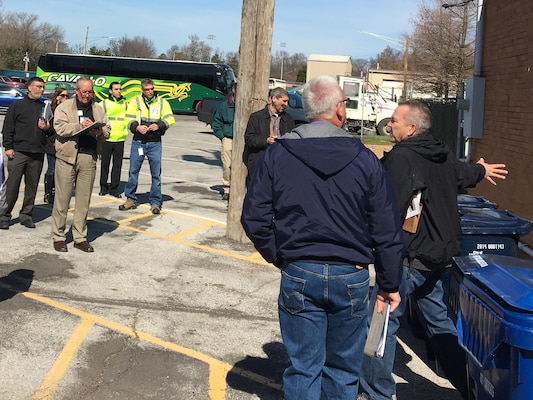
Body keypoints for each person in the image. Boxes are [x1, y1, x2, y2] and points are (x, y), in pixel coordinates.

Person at [241, 75, 405, 399]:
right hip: (352, 274)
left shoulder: (278, 155)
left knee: (304, 368)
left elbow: (255, 218)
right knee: (343, 371)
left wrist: (282, 255)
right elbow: (387, 229)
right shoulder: (366, 160)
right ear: (340, 110)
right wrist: (389, 284)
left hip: (300, 270)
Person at [359, 100, 508, 400]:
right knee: (439, 322)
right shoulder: (441, 153)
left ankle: (377, 392)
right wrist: (480, 169)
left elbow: (388, 212)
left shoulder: (402, 159)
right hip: (440, 258)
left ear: (411, 128)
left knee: (380, 322)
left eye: (395, 121)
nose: (389, 124)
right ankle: (471, 387)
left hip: (410, 258)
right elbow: (464, 174)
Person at [51, 77, 110, 253]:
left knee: (84, 200)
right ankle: (59, 236)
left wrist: (100, 131)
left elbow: (107, 130)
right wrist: (79, 126)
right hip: (67, 156)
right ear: (76, 91)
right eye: (84, 92)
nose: (87, 95)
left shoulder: (98, 109)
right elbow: (59, 128)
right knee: (62, 199)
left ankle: (79, 237)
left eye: (90, 92)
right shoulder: (65, 107)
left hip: (88, 157)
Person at [0, 77, 51, 230]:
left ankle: (26, 215)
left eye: (43, 87)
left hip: (37, 153)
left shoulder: (45, 107)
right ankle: (4, 215)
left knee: (32, 187)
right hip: (19, 152)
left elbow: (52, 131)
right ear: (29, 87)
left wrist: (47, 128)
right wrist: (8, 148)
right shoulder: (17, 105)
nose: (42, 90)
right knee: (12, 187)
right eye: (39, 86)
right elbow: (7, 128)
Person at [119, 78, 175, 214]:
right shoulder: (135, 102)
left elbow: (170, 119)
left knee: (156, 174)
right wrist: (137, 127)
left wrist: (160, 125)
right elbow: (128, 119)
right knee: (133, 172)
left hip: (155, 142)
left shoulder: (162, 102)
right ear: (142, 90)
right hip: (139, 142)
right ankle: (130, 199)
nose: (150, 92)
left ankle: (155, 202)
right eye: (147, 90)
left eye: (151, 89)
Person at [243, 87, 295, 186]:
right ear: (274, 99)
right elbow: (249, 139)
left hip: (280, 164)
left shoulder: (289, 119)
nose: (286, 104)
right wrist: (266, 140)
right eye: (284, 101)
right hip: (260, 163)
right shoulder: (256, 117)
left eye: (287, 101)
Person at [99, 82, 128, 198]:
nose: (119, 91)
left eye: (120, 89)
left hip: (120, 138)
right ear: (110, 91)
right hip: (107, 138)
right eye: (116, 89)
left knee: (117, 165)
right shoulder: (104, 104)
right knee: (104, 164)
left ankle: (114, 189)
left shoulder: (125, 104)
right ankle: (103, 187)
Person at [43, 87, 69, 204]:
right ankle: (48, 192)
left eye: (67, 96)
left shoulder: (67, 110)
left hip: (63, 143)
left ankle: (56, 191)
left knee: (61, 170)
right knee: (52, 169)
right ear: (57, 97)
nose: (65, 98)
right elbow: (47, 128)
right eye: (62, 95)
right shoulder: (51, 109)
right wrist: (48, 128)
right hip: (51, 143)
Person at [212, 81, 236, 201]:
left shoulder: (246, 104)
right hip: (228, 138)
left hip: (243, 140)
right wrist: (222, 136)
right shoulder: (225, 105)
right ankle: (227, 188)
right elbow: (216, 123)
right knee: (228, 165)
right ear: (233, 90)